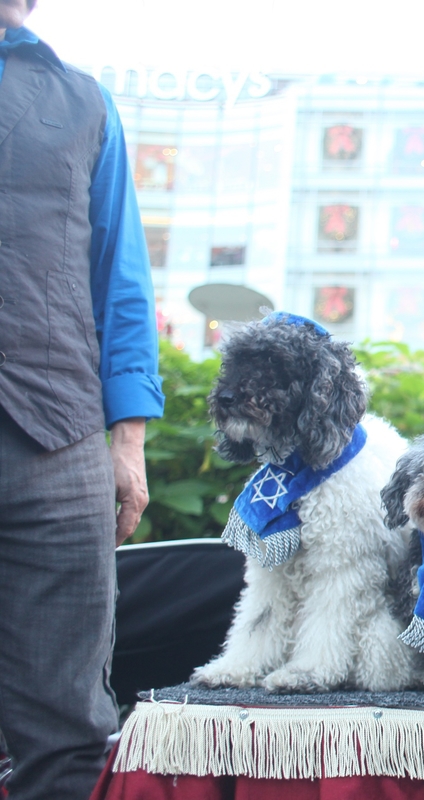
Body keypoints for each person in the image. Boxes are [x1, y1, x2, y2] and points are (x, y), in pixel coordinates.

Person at [0, 2, 164, 798]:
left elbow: (119, 279)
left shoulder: (81, 100)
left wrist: (125, 444)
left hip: (54, 440)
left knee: (68, 729)